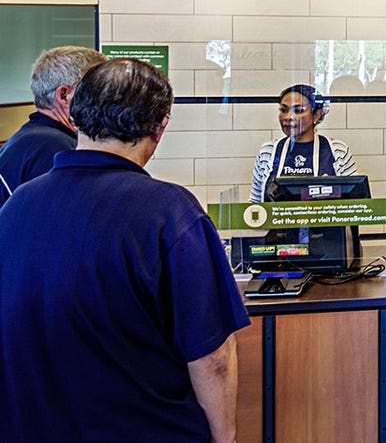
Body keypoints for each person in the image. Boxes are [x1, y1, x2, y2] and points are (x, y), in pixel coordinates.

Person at [0, 58, 249, 442]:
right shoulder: (170, 214)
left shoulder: (16, 207)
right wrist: (225, 437)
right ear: (159, 126)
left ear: (76, 114)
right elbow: (212, 356)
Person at [0, 45, 106, 208]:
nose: (108, 99)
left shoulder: (33, 140)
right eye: (99, 90)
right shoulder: (53, 150)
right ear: (64, 95)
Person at [250, 83, 358, 202]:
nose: (288, 117)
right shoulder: (268, 151)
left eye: (298, 110)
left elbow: (353, 203)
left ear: (317, 115)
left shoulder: (338, 151)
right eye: (283, 110)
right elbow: (255, 204)